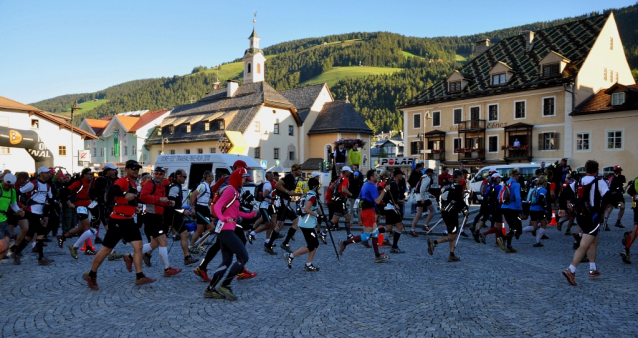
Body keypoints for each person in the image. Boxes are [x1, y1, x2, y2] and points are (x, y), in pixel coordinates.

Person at [83, 160, 155, 290]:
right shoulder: (123, 181)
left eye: (137, 168)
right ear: (126, 170)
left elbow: (127, 199)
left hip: (128, 219)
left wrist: (134, 207)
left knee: (138, 246)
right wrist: (124, 194)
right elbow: (113, 191)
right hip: (117, 220)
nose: (135, 170)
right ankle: (92, 275)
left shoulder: (133, 183)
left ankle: (139, 276)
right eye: (132, 168)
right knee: (107, 250)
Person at [204, 168, 256, 299]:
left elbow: (234, 212)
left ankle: (210, 289)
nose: (246, 182)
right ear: (239, 177)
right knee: (243, 257)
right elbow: (217, 207)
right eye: (245, 179)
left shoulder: (234, 191)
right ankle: (225, 285)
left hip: (225, 230)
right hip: (226, 230)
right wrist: (222, 218)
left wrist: (249, 215)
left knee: (226, 261)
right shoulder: (230, 190)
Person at [560, 160, 609, 286]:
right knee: (585, 244)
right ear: (597, 169)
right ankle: (571, 270)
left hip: (581, 216)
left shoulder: (578, 182)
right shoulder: (600, 182)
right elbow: (608, 197)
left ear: (585, 169)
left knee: (594, 240)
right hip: (593, 217)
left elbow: (564, 193)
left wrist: (564, 206)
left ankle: (593, 269)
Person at [338, 169, 389, 263]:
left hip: (366, 211)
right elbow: (377, 201)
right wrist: (385, 190)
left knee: (375, 234)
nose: (377, 176)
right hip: (369, 212)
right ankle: (344, 243)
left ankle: (377, 256)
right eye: (375, 175)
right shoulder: (372, 187)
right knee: (366, 236)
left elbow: (361, 198)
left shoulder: (365, 185)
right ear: (371, 177)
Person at [138, 166, 181, 277]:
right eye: (156, 173)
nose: (158, 175)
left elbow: (160, 201)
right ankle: (167, 269)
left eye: (160, 174)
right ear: (153, 174)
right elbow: (143, 197)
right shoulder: (150, 184)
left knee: (154, 243)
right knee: (163, 241)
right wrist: (159, 199)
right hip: (151, 216)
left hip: (157, 216)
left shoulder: (161, 186)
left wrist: (168, 203)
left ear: (163, 175)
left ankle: (129, 256)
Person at [9, 167, 55, 265]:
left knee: (30, 235)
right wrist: (21, 204)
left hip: (40, 211)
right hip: (31, 211)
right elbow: (18, 193)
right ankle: (41, 258)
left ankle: (16, 252)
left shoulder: (48, 186)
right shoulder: (33, 184)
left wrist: (46, 214)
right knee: (40, 233)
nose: (48, 175)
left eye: (49, 173)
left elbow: (50, 200)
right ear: (40, 174)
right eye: (46, 173)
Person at [57, 168, 97, 257]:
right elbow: (64, 192)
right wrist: (69, 202)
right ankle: (88, 248)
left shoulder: (91, 183)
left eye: (91, 174)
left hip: (88, 205)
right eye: (89, 174)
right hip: (80, 206)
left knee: (80, 229)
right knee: (87, 226)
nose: (91, 176)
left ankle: (62, 237)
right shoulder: (79, 182)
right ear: (84, 175)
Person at [283, 177, 322, 271]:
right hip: (307, 224)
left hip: (306, 223)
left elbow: (315, 207)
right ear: (315, 187)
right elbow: (307, 209)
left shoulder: (307, 194)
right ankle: (291, 256)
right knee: (312, 245)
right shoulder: (312, 196)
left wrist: (320, 214)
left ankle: (309, 263)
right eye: (318, 186)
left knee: (315, 244)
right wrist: (317, 215)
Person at [427, 170, 466, 262]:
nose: (463, 178)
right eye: (463, 176)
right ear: (459, 177)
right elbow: (459, 200)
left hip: (445, 212)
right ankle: (434, 242)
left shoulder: (447, 186)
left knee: (452, 234)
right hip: (452, 213)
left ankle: (451, 254)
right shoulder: (458, 187)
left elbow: (440, 198)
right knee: (452, 236)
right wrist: (465, 209)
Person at [164, 169, 198, 266]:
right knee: (158, 240)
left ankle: (187, 257)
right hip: (171, 215)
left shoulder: (176, 186)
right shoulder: (175, 187)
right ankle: (142, 254)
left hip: (173, 214)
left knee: (184, 234)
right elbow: (171, 203)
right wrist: (183, 211)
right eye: (184, 177)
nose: (185, 179)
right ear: (178, 177)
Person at [266, 164, 302, 253]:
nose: (301, 171)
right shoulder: (289, 176)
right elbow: (278, 185)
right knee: (296, 221)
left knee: (279, 225)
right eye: (299, 169)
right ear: (295, 170)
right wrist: (287, 192)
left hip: (285, 202)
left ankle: (269, 245)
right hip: (283, 203)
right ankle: (285, 243)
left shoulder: (293, 178)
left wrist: (297, 194)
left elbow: (290, 192)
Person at [248, 171, 278, 254]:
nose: (273, 177)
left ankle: (268, 241)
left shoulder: (270, 183)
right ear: (268, 177)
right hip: (264, 206)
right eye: (271, 176)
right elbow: (265, 194)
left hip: (268, 206)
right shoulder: (268, 184)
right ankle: (252, 233)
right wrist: (273, 197)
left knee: (271, 223)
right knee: (268, 224)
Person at [89, 163, 118, 243]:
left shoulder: (108, 179)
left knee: (101, 223)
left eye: (114, 170)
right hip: (100, 204)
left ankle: (107, 240)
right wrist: (102, 199)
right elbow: (99, 192)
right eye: (112, 170)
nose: (114, 171)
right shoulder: (102, 180)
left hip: (104, 204)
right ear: (107, 171)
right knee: (99, 224)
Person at [0, 174, 24, 260]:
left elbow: (13, 204)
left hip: (4, 220)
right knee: (2, 246)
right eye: (5, 184)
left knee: (6, 247)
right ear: (2, 180)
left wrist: (18, 211)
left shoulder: (12, 191)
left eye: (9, 185)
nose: (6, 187)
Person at [189, 170, 215, 251]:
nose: (213, 178)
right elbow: (193, 194)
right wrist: (192, 207)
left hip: (204, 208)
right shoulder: (202, 185)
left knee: (200, 230)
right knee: (211, 227)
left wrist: (208, 201)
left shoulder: (207, 186)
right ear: (207, 177)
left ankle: (191, 246)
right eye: (212, 176)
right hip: (201, 209)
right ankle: (199, 244)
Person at [521, 176, 549, 247]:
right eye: (545, 181)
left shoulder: (534, 188)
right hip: (539, 209)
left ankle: (520, 231)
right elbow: (541, 199)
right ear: (543, 182)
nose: (546, 183)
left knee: (534, 227)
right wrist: (545, 208)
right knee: (543, 224)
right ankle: (537, 241)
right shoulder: (543, 190)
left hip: (532, 208)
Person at [500, 168, 523, 253]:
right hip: (513, 208)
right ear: (515, 175)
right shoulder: (516, 184)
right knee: (518, 229)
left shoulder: (506, 183)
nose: (518, 177)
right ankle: (503, 238)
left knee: (511, 227)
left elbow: (500, 195)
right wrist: (520, 208)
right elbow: (517, 197)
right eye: (518, 175)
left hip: (504, 207)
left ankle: (509, 247)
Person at [330, 166, 355, 239]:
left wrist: (336, 193)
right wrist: (351, 194)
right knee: (335, 220)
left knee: (347, 217)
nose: (350, 173)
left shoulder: (339, 179)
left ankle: (349, 234)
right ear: (346, 172)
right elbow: (344, 189)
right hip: (341, 201)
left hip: (338, 200)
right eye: (349, 172)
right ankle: (323, 233)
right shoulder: (345, 179)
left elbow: (331, 187)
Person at [384, 168, 406, 253]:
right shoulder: (393, 184)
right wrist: (396, 203)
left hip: (389, 207)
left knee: (389, 228)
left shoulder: (393, 183)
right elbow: (389, 197)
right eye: (401, 175)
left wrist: (398, 201)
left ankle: (370, 233)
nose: (401, 177)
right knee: (399, 226)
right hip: (391, 208)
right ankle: (394, 246)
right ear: (398, 175)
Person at [410, 168, 436, 236]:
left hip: (418, 197)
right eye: (431, 173)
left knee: (418, 214)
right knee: (433, 210)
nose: (432, 175)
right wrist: (423, 198)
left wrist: (430, 195)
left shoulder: (422, 177)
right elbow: (422, 188)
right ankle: (426, 225)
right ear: (429, 173)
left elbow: (421, 188)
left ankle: (412, 229)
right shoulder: (427, 178)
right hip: (423, 197)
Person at [620, 174, 638, 264]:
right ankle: (626, 249)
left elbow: (630, 191)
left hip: (636, 205)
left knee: (636, 227)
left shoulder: (636, 179)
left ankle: (627, 244)